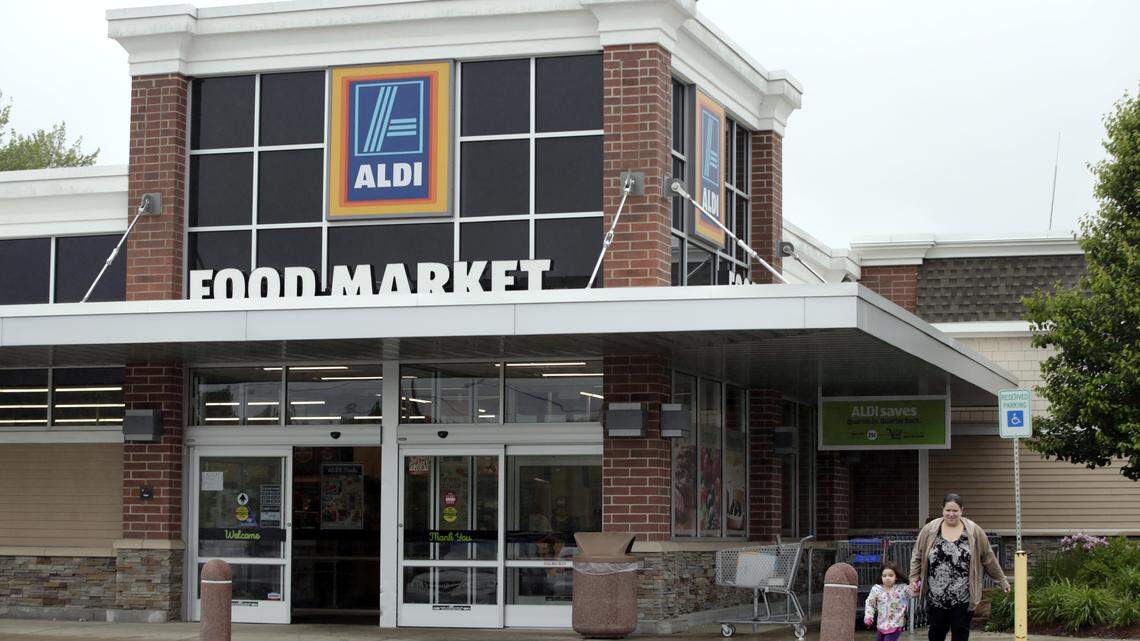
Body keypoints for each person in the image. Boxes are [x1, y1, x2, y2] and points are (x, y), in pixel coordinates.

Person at [910, 493, 1010, 641]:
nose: (951, 514)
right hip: (935, 598)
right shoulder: (930, 530)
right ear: (942, 510)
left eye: (955, 511)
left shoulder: (973, 531)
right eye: (948, 510)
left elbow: (988, 557)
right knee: (935, 635)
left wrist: (1001, 580)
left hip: (963, 597)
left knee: (960, 635)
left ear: (962, 510)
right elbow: (917, 555)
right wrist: (914, 578)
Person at [864, 561, 918, 641]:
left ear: (896, 576)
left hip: (895, 625)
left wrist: (916, 586)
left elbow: (912, 593)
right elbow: (870, 603)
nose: (887, 578)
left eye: (891, 575)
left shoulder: (902, 589)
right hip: (881, 625)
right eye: (884, 575)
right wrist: (868, 617)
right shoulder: (876, 589)